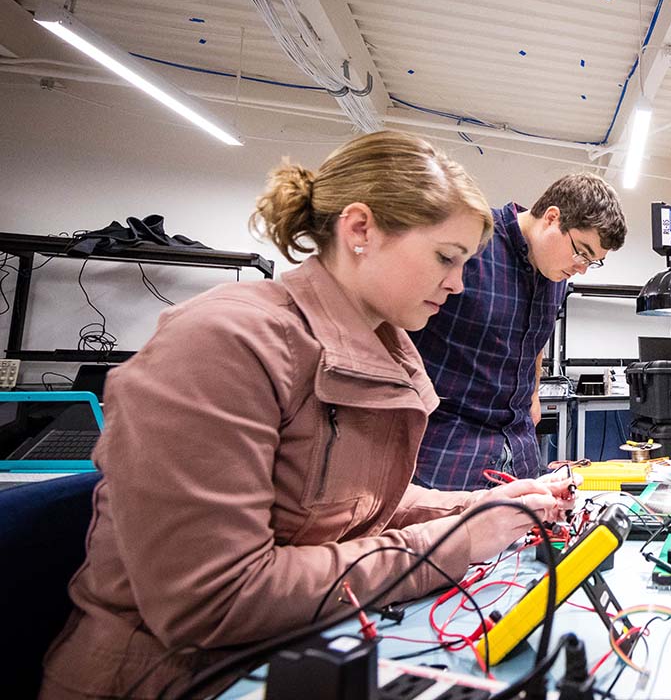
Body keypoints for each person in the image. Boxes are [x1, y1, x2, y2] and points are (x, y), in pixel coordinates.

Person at [39, 132, 576, 700]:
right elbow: (216, 601)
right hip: (167, 678)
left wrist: (479, 508)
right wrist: (456, 542)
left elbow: (351, 508)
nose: (458, 283)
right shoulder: (225, 343)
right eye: (446, 257)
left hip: (287, 652)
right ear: (360, 229)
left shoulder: (386, 344)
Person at [410, 173, 627, 491]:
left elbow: (535, 338)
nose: (582, 268)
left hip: (519, 453)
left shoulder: (556, 275)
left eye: (593, 262)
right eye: (582, 252)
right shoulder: (474, 244)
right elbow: (396, 330)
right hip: (446, 454)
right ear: (553, 218)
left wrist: (534, 393)